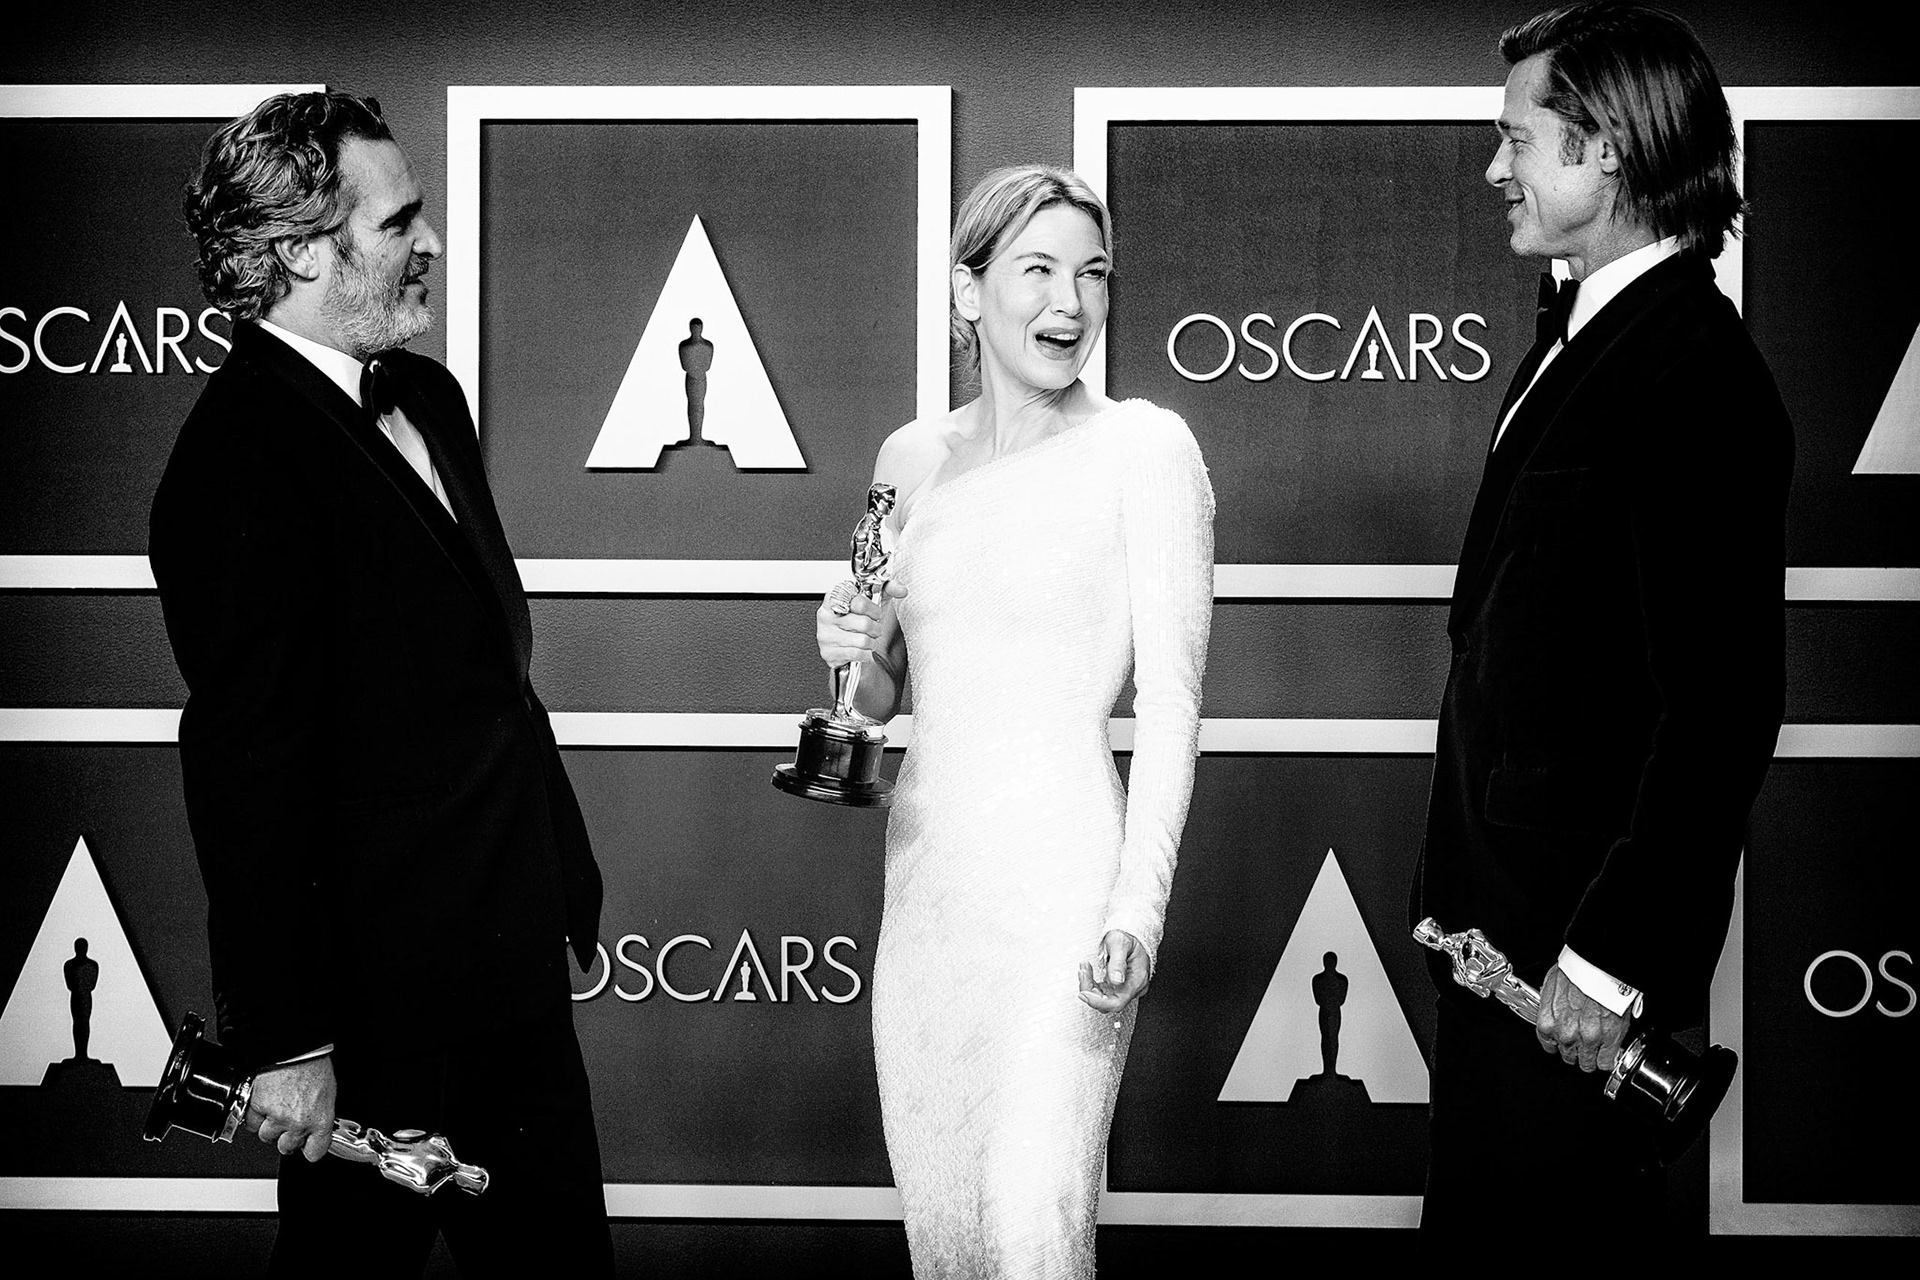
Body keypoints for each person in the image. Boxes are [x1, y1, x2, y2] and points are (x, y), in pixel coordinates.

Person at [149, 91, 611, 1275]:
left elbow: (484, 683)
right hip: (373, 1021)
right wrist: (289, 1039)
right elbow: (249, 771)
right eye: (400, 218)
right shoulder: (235, 464)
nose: (431, 240)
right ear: (302, 250)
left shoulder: (429, 396)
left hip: (507, 968)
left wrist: (558, 881)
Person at [1412, 2, 1792, 1229]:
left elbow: (1722, 708)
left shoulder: (1693, 369)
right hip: (1505, 942)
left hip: (1571, 966)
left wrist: (1606, 955)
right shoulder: (1579, 335)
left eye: (1516, 139)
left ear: (1606, 148)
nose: (1494, 168)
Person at [816, 165, 1215, 1277]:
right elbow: (889, 692)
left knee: (1035, 1229)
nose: (1070, 304)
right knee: (946, 1241)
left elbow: (1174, 703)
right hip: (933, 897)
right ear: (966, 290)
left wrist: (1138, 906)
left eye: (1092, 274)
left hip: (1067, 903)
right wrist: (853, 647)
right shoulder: (908, 458)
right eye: (1037, 270)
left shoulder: (1146, 446)